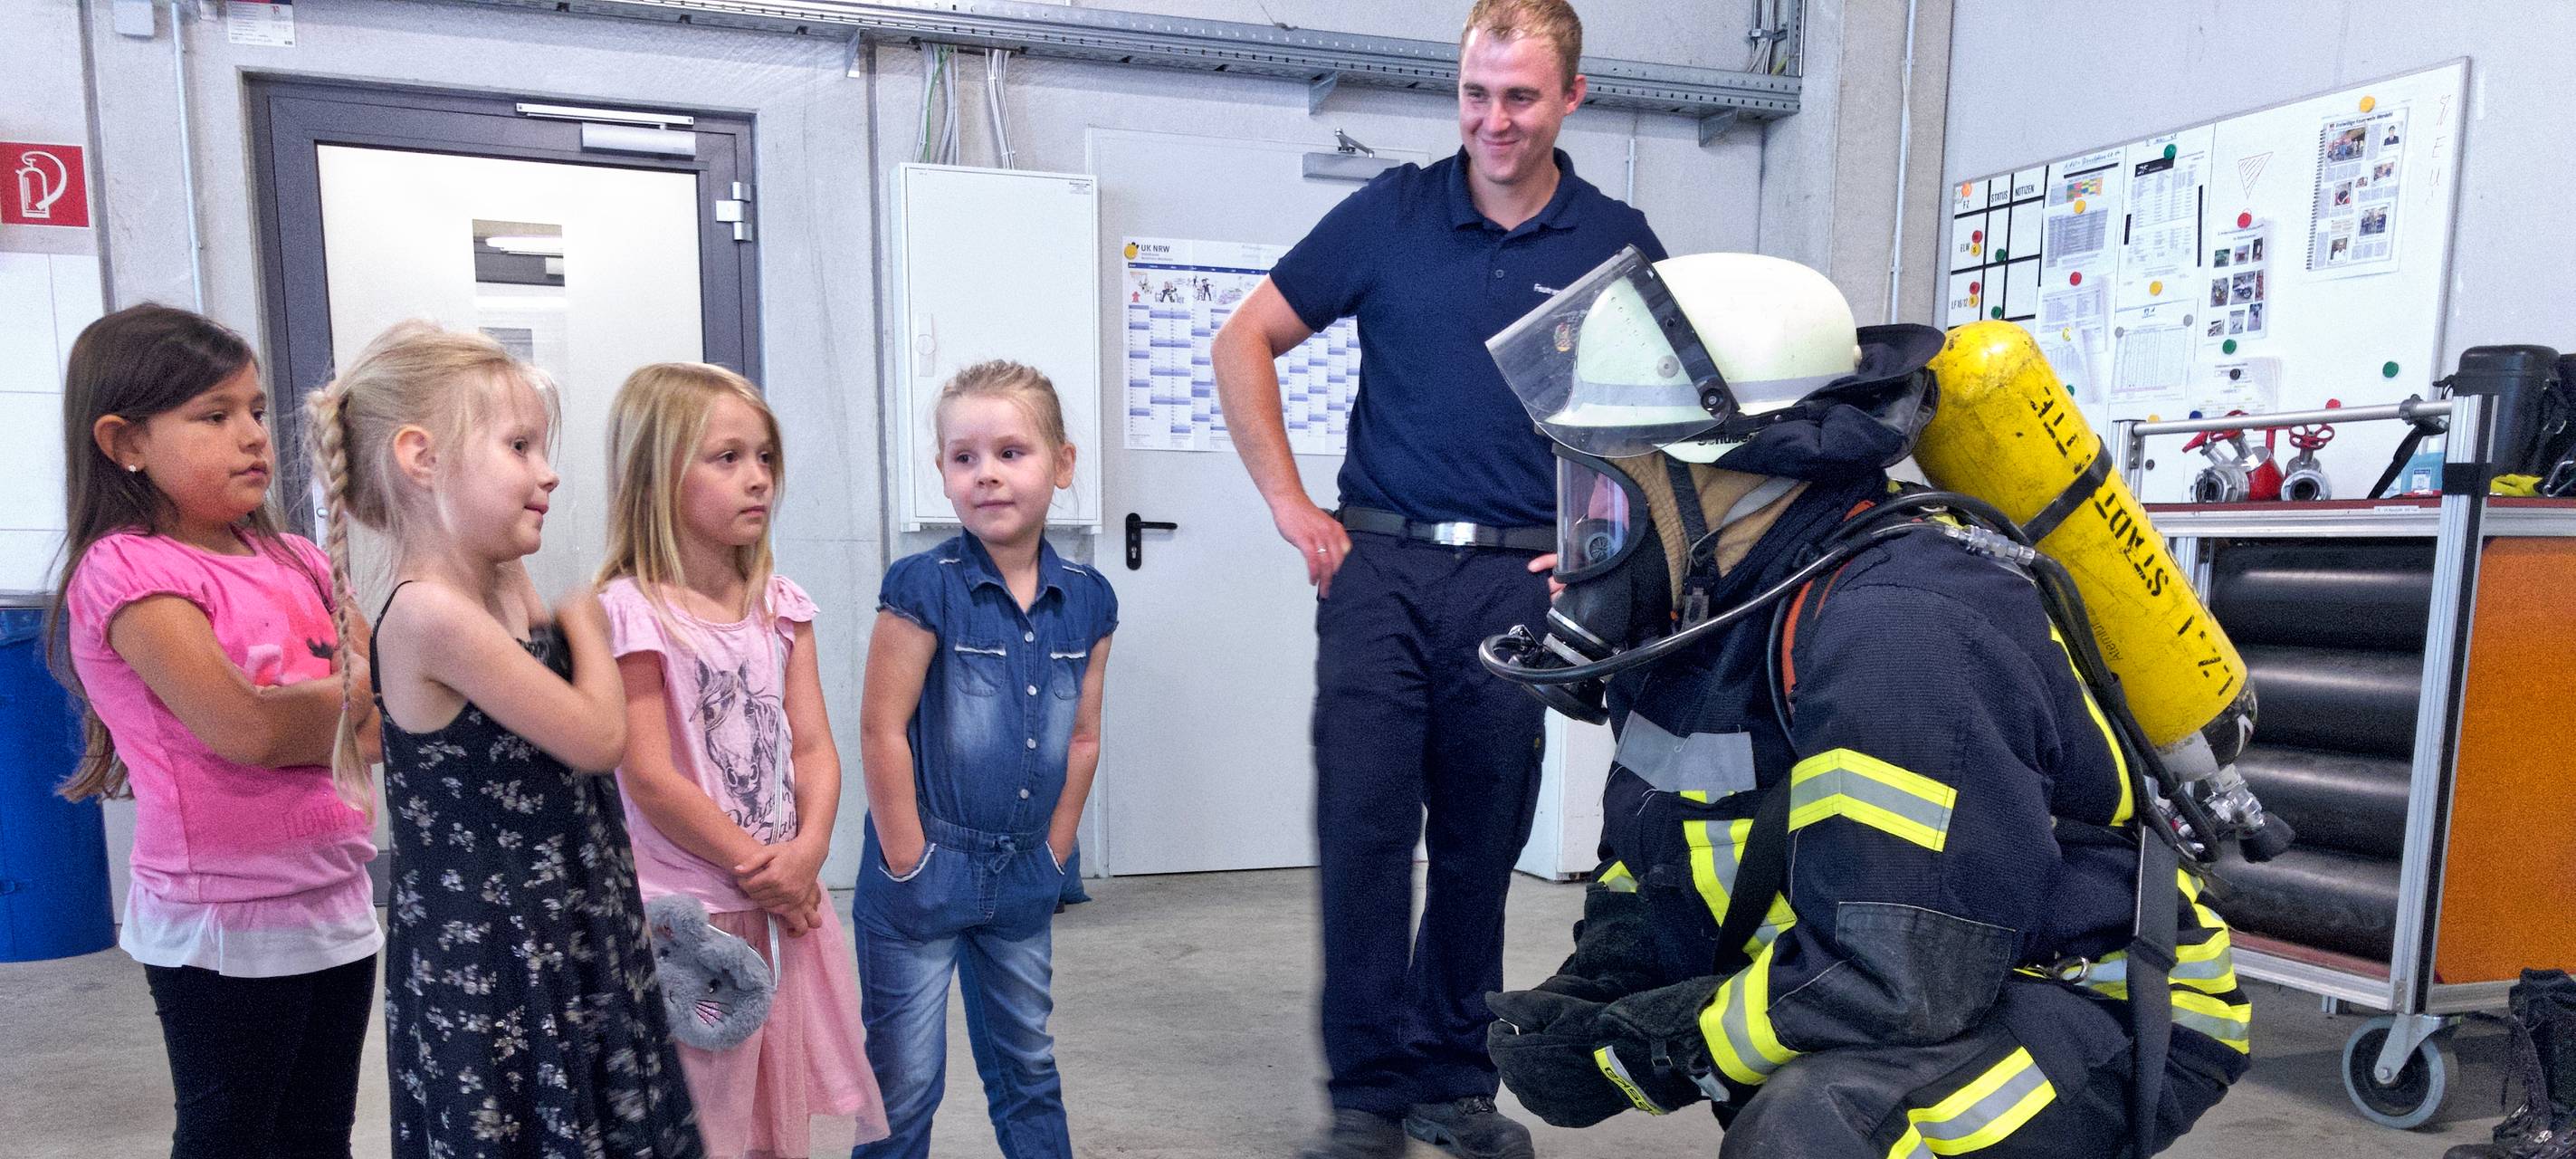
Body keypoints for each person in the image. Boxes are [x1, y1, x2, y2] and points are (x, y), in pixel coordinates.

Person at [1472, 250, 2250, 1155]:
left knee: (1823, 1127)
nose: (1588, 524)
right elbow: (1670, 848)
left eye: (1614, 473)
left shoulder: (1902, 626)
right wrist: (1599, 988)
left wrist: (1655, 1050)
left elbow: (1898, 975)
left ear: (1717, 462)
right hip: (1941, 972)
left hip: (2089, 997)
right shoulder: (1717, 609)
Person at [1209, 2, 1664, 1155]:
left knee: (1478, 837)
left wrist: (1608, 540)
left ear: (1570, 98)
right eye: (1475, 93)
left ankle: (1450, 1079)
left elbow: (1666, 424)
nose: (1492, 120)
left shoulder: (1614, 244)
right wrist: (1286, 501)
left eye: (1518, 96)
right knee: (1363, 831)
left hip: (1519, 582)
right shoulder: (1390, 215)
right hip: (1378, 570)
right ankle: (1365, 1093)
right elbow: (1241, 339)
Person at [310, 322, 705, 1158]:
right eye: (519, 446)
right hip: (499, 960)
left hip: (572, 922)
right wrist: (590, 624)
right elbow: (598, 736)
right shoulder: (427, 613)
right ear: (422, 458)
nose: (547, 472)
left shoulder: (493, 576)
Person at [52, 303, 380, 1159]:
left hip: (335, 897)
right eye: (214, 416)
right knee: (232, 1136)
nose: (252, 438)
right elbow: (248, 730)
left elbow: (385, 721)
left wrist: (325, 707)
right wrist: (339, 702)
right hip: (222, 920)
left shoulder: (300, 560)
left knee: (317, 1136)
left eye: (258, 413)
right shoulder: (129, 570)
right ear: (125, 441)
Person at [596, 363, 891, 1158]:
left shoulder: (780, 605)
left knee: (771, 1115)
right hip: (692, 912)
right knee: (703, 1119)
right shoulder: (630, 614)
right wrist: (760, 867)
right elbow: (651, 776)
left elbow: (814, 746)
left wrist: (808, 855)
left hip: (781, 904)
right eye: (726, 458)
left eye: (764, 458)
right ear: (656, 475)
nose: (757, 478)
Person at [854, 359, 1116, 1159]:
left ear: (1062, 464)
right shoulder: (923, 586)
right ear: (941, 473)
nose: (988, 475)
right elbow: (880, 729)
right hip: (924, 873)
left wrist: (1056, 851)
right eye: (964, 458)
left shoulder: (1092, 599)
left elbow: (1083, 736)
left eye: (1011, 452)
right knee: (904, 1086)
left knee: (1029, 1065)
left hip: (1024, 874)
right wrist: (907, 859)